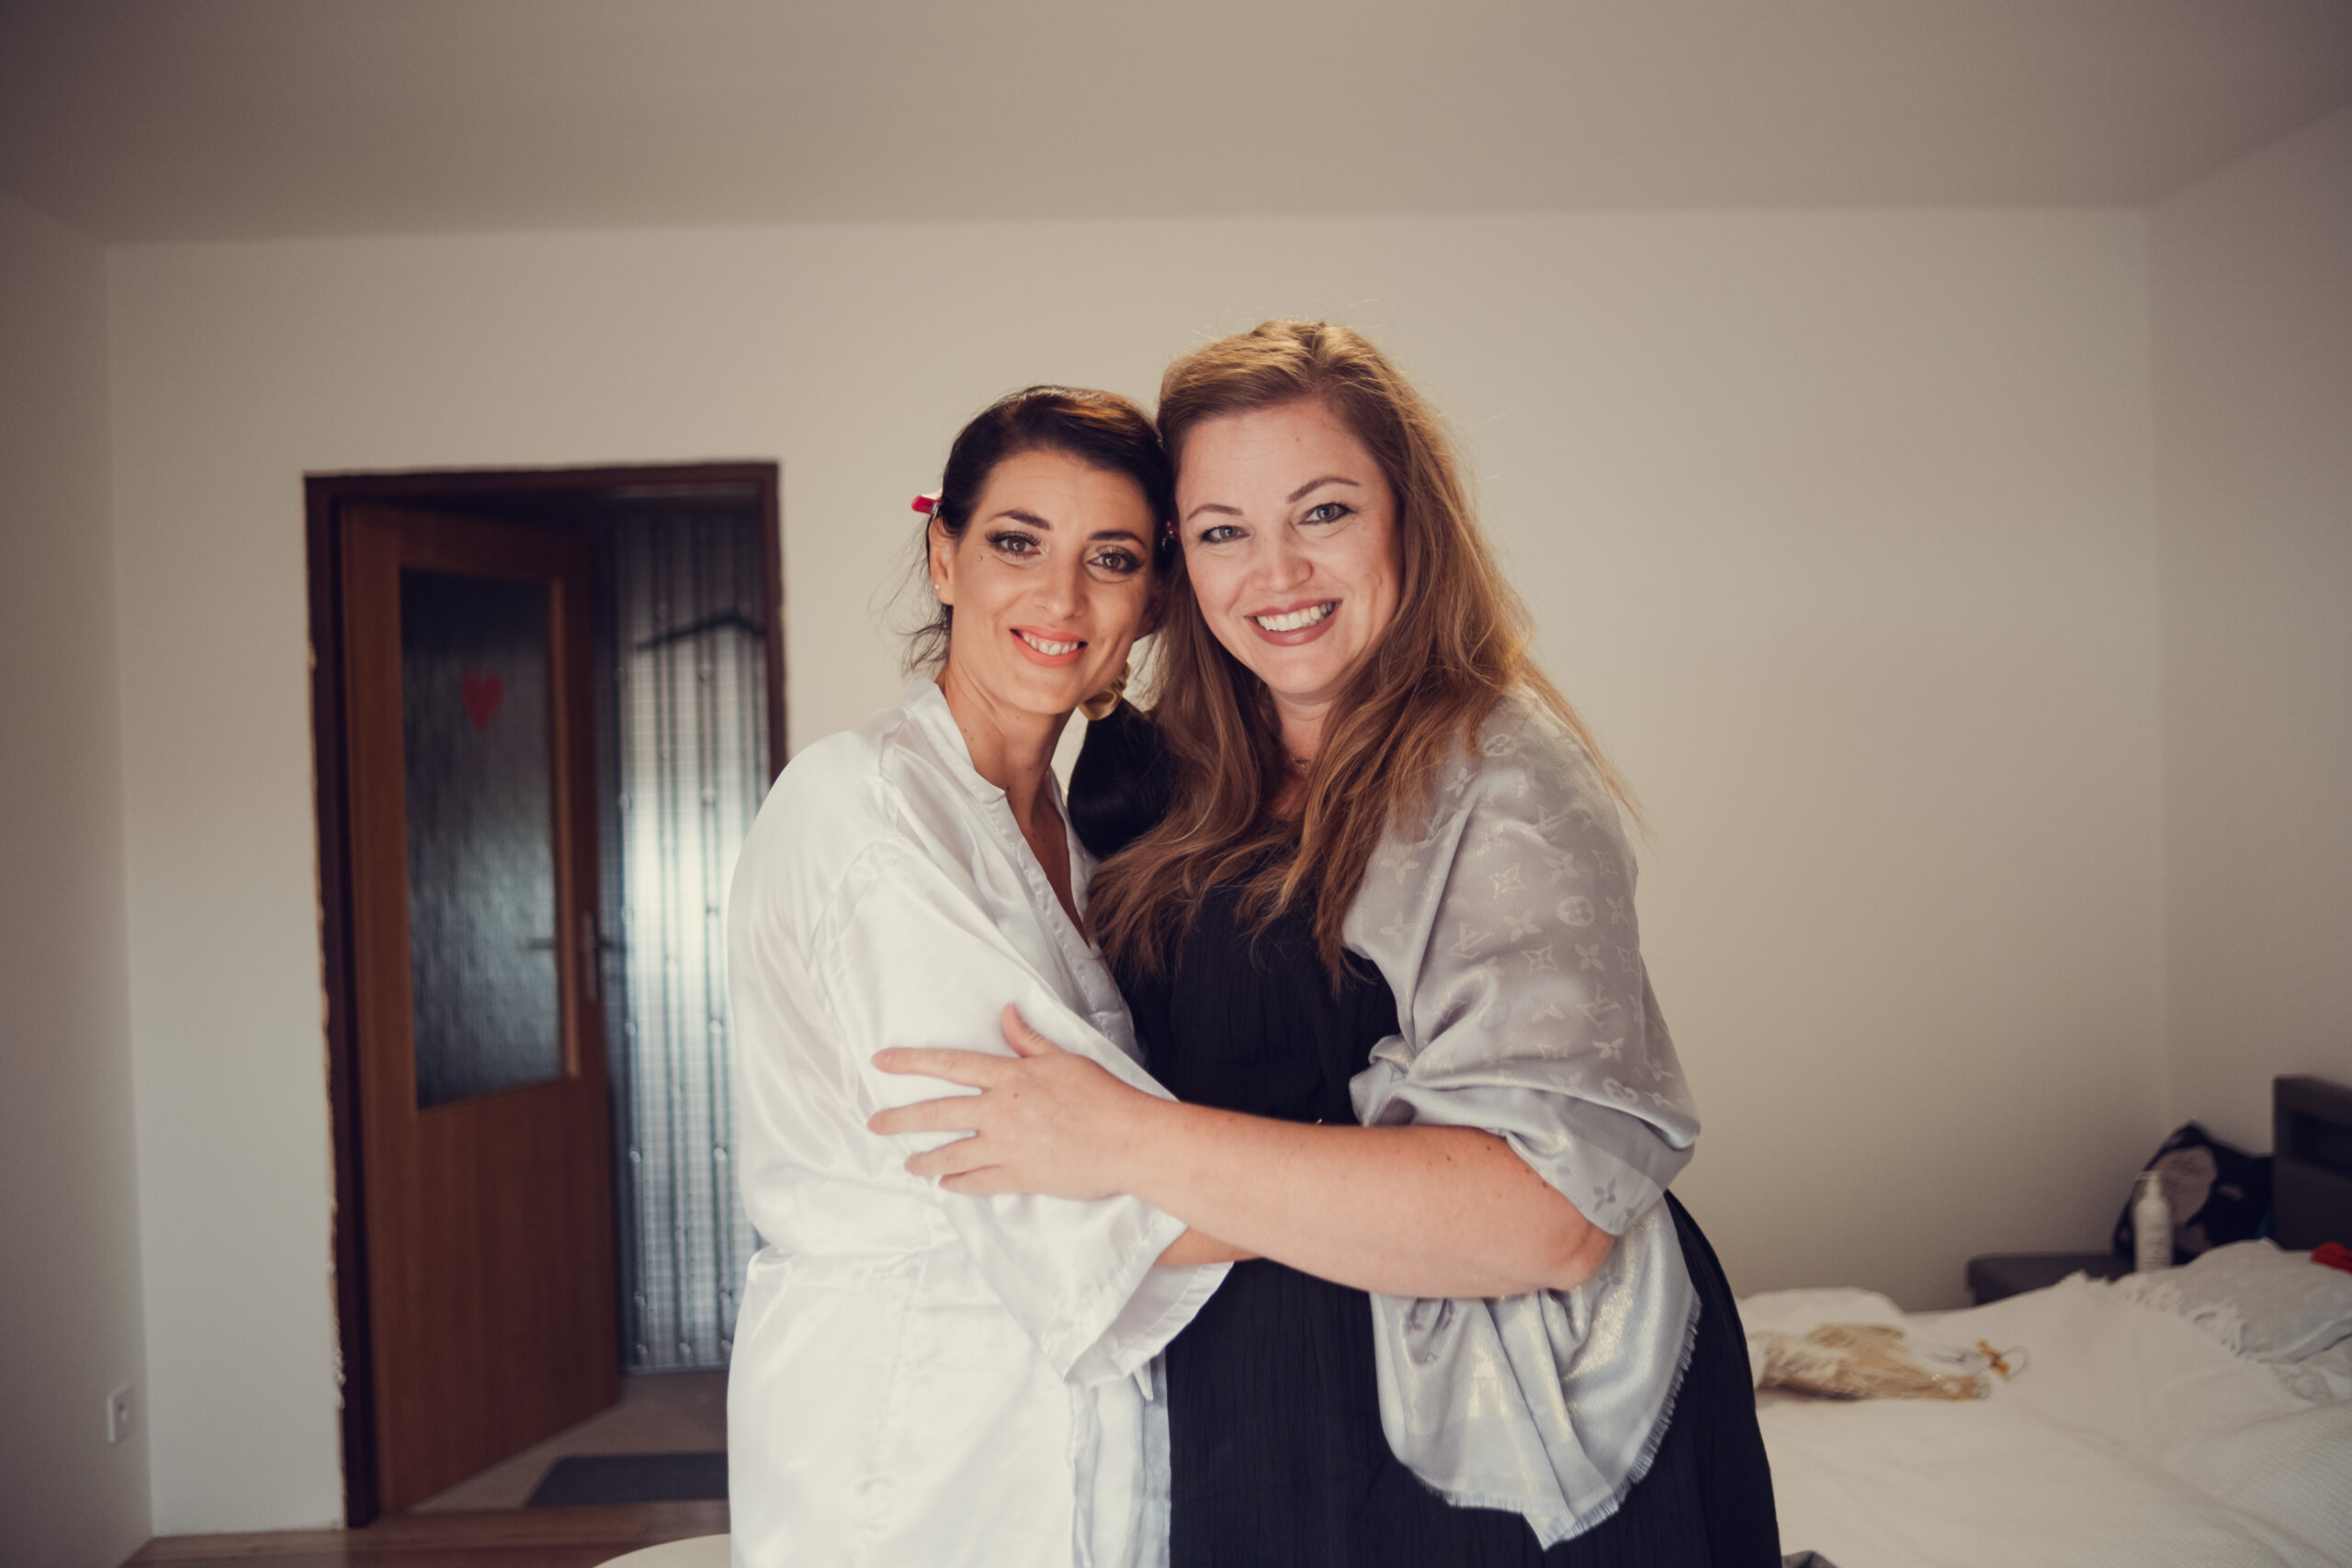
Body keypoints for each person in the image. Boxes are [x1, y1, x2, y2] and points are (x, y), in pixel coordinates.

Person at [871, 322, 1780, 1565]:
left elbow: (1549, 1217)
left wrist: (1123, 1140)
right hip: (1248, 1417)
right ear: (1177, 566)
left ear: (1409, 519)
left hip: (1482, 1446)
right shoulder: (1157, 778)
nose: (1277, 572)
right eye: (1222, 530)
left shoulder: (1500, 783)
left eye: (1325, 512)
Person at [725, 386, 1231, 1568]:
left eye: (1110, 558)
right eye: (1017, 543)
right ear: (944, 556)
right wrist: (1403, 1188)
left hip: (1066, 1421)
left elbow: (1118, 1151)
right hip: (910, 1441)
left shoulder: (1084, 837)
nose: (1061, 600)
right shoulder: (861, 811)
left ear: (1155, 598)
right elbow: (1062, 1189)